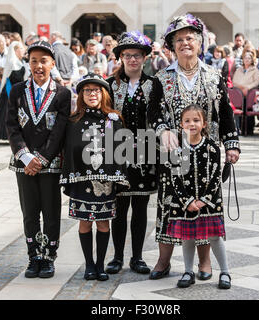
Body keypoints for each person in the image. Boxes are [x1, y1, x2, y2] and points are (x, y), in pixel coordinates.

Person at [147, 13, 240, 280]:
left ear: (200, 44)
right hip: (173, 156)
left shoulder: (213, 75)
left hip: (206, 157)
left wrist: (231, 144)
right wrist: (162, 130)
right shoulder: (161, 78)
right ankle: (163, 261)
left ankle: (205, 263)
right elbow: (153, 113)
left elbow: (225, 113)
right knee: (170, 206)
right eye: (179, 40)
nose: (185, 43)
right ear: (172, 46)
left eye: (190, 38)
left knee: (205, 207)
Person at [6, 40, 71, 279]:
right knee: (29, 211)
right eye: (34, 61)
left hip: (50, 163)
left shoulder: (62, 93)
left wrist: (41, 159)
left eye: (44, 61)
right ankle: (34, 255)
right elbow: (12, 126)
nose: (39, 66)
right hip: (23, 164)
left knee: (51, 211)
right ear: (28, 63)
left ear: (52, 63)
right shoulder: (17, 90)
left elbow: (59, 130)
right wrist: (25, 156)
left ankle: (49, 256)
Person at [60, 73, 129, 281]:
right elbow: (70, 148)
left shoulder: (114, 119)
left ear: (103, 93)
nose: (92, 94)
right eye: (87, 90)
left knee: (102, 224)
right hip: (82, 181)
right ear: (82, 94)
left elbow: (120, 150)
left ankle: (100, 266)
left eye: (96, 90)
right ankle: (89, 265)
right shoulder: (74, 120)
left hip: (105, 182)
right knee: (84, 223)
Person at [105, 30, 157, 275]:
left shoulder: (153, 84)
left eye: (137, 55)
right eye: (127, 55)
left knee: (140, 205)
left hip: (146, 151)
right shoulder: (109, 84)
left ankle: (137, 257)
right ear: (121, 57)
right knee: (119, 207)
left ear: (145, 57)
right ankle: (116, 257)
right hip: (117, 151)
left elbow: (159, 118)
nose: (133, 59)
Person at [167, 105, 231, 289]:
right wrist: (187, 201)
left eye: (196, 120)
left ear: (204, 124)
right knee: (187, 238)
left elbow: (215, 178)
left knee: (214, 237)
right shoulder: (176, 149)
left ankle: (225, 271)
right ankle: (188, 271)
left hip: (209, 203)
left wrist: (204, 200)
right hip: (184, 203)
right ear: (181, 125)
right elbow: (175, 177)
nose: (191, 124)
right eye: (187, 120)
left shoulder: (212, 148)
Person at [0, 41, 28, 140]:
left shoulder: (21, 62)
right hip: (10, 92)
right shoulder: (11, 62)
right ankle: (8, 134)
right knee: (8, 114)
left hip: (20, 92)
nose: (23, 50)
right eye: (21, 48)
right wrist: (6, 91)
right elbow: (6, 78)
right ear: (16, 50)